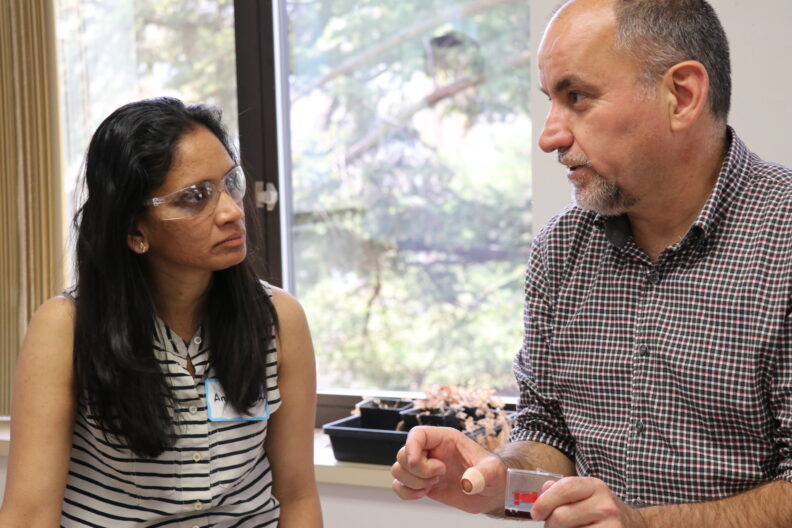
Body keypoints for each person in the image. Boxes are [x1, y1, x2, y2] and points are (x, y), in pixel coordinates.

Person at [391, 0, 792, 526]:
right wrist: (495, 482)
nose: (549, 136)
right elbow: (548, 431)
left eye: (576, 97)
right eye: (550, 101)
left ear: (682, 95)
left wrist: (643, 524)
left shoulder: (781, 241)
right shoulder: (561, 249)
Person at [0, 97, 322, 527]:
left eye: (231, 183)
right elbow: (29, 514)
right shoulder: (67, 328)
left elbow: (297, 495)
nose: (230, 211)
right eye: (195, 197)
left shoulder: (278, 317)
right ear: (135, 231)